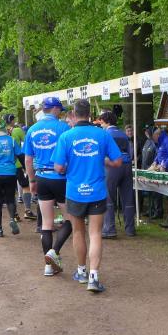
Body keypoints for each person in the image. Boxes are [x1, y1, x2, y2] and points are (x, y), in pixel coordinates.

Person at [52, 99, 123, 293]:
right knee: (95, 233)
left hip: (75, 192)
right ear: (90, 114)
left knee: (78, 232)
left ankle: (81, 271)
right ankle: (94, 277)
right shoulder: (102, 134)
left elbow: (58, 167)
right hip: (97, 191)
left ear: (74, 114)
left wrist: (68, 167)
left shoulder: (66, 136)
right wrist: (104, 160)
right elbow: (118, 162)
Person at [24, 96, 72, 277]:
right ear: (55, 109)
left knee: (46, 223)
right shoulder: (63, 128)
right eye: (60, 110)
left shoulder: (32, 129)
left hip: (41, 177)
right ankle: (54, 251)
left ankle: (48, 267)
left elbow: (28, 159)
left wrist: (32, 181)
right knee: (70, 219)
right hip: (60, 178)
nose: (61, 113)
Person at [98, 110, 135, 238]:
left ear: (106, 122)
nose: (100, 124)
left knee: (108, 197)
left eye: (101, 122)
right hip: (127, 165)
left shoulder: (105, 134)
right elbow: (130, 151)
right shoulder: (123, 134)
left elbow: (102, 152)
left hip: (112, 166)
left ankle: (109, 229)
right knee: (128, 198)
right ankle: (130, 229)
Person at [7, 114, 36, 220]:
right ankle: (27, 210)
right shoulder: (17, 130)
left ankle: (14, 214)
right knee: (25, 186)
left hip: (6, 166)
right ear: (12, 120)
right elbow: (27, 142)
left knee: (10, 190)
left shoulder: (1, 132)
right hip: (18, 164)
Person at [140, 126, 161, 218]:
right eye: (145, 131)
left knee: (156, 192)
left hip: (153, 170)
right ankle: (150, 209)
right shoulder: (147, 142)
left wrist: (154, 167)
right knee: (149, 191)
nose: (146, 133)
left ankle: (158, 211)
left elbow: (157, 157)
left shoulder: (155, 143)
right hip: (146, 170)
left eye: (147, 131)